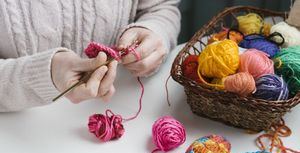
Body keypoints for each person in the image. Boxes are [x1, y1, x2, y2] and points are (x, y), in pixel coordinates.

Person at [0, 0, 181, 112]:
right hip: (21, 132)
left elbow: (161, 8)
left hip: (123, 104)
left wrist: (155, 31)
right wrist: (43, 74)